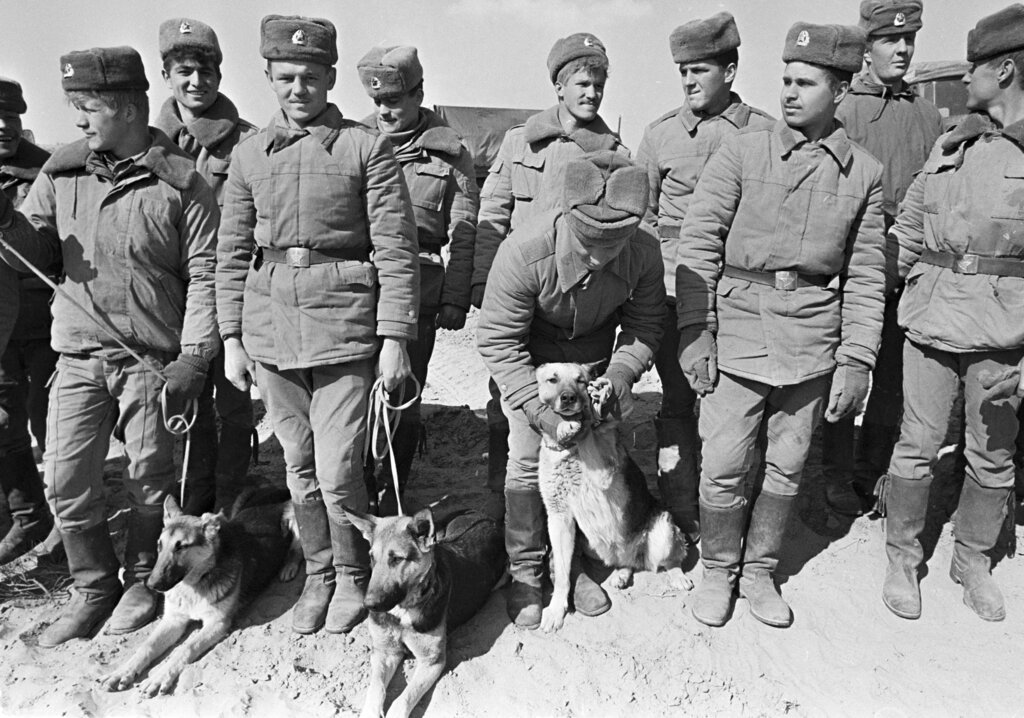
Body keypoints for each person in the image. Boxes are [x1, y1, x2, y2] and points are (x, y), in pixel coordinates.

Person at [0, 46, 219, 646]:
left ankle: (142, 585)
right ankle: (92, 587)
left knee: (151, 481)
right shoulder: (62, 172)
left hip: (151, 364)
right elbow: (36, 249)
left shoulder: (182, 183)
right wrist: (6, 222)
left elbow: (206, 276)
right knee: (66, 481)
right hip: (76, 358)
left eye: (87, 107)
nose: (78, 121)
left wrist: (194, 358)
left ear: (126, 108)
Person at [676, 23, 886, 628]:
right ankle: (718, 570)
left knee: (788, 463)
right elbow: (699, 243)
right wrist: (697, 330)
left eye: (805, 82)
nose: (789, 93)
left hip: (813, 340)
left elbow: (868, 275)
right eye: (785, 80)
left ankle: (761, 570)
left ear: (840, 89)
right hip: (739, 326)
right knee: (723, 459)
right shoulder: (742, 150)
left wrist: (856, 359)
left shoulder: (864, 175)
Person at [216, 15, 419, 635]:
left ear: (331, 77)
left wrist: (394, 340)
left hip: (346, 330)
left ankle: (356, 579)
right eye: (285, 77)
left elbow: (395, 247)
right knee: (297, 467)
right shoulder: (249, 153)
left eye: (310, 76)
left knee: (337, 471)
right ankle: (320, 576)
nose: (297, 88)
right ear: (270, 78)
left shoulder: (365, 147)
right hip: (271, 329)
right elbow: (229, 251)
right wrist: (231, 337)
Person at [879, 3, 1024, 623]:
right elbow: (910, 226)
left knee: (992, 455)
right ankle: (901, 559)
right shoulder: (951, 144)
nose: (965, 80)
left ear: (1009, 71)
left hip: (1001, 333)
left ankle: (973, 560)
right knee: (916, 443)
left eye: (978, 69)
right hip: (930, 324)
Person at [478, 151, 664, 629]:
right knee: (526, 459)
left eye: (615, 243)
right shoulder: (524, 250)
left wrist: (621, 374)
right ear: (567, 219)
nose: (601, 256)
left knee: (593, 467)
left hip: (592, 366)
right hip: (532, 368)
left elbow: (645, 325)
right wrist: (539, 413)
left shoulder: (644, 251)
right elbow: (498, 338)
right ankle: (524, 571)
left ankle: (576, 566)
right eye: (588, 243)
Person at [471, 32, 629, 498]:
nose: (591, 94)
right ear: (558, 86)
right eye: (582, 83)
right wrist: (484, 281)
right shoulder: (519, 142)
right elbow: (492, 214)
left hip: (580, 307)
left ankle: (574, 515)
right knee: (509, 406)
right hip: (523, 299)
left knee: (579, 419)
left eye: (598, 85)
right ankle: (501, 506)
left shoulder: (614, 152)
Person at [635, 12, 773, 543]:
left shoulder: (763, 133)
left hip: (739, 296)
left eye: (700, 71)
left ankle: (729, 512)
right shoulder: (660, 135)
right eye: (682, 72)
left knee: (733, 411)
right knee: (675, 404)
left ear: (731, 71)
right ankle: (680, 512)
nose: (689, 82)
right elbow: (640, 218)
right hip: (675, 291)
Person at [822, 0, 943, 516]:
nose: (902, 48)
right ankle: (832, 474)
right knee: (847, 371)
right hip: (855, 268)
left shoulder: (926, 114)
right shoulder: (843, 112)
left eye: (909, 39)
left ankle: (872, 472)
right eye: (891, 40)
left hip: (911, 268)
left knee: (894, 380)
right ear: (866, 48)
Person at [356, 45, 478, 514]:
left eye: (396, 100)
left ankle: (392, 495)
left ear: (419, 93)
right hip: (358, 287)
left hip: (419, 293)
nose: (385, 110)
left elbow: (465, 233)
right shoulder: (354, 139)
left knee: (402, 397)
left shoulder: (449, 154)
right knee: (350, 397)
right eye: (378, 101)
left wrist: (455, 298)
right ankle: (356, 492)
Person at [153, 17, 259, 516]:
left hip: (232, 287)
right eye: (185, 71)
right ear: (165, 75)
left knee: (234, 400)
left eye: (208, 71)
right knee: (182, 398)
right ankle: (194, 498)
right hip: (170, 295)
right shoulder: (145, 145)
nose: (198, 82)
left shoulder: (248, 141)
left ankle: (231, 498)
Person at [0, 76, 57, 565]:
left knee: (52, 427)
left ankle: (68, 528)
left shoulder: (48, 171)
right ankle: (28, 519)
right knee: (4, 428)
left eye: (12, 117)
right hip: (0, 330)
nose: (3, 127)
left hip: (44, 322)